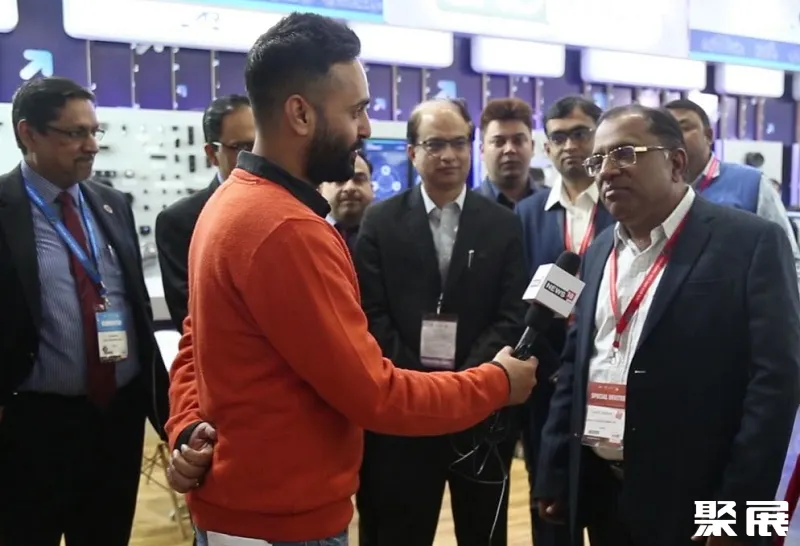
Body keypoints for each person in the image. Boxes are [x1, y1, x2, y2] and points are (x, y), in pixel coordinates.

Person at [165, 12, 538, 546]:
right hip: (285, 520)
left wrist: (185, 425)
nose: (365, 129)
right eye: (357, 110)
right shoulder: (285, 228)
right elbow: (374, 394)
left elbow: (194, 337)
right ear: (300, 113)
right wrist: (496, 383)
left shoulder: (231, 202)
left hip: (248, 507)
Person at [534, 104, 800, 546]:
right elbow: (575, 368)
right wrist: (555, 469)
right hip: (603, 490)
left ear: (676, 162)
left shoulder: (750, 242)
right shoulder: (598, 252)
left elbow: (775, 386)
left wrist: (736, 513)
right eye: (598, 160)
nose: (607, 170)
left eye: (625, 153)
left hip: (698, 498)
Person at [0, 76, 170, 546]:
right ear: (28, 133)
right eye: (74, 133)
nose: (92, 145)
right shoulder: (5, 208)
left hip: (115, 420)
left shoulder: (111, 204)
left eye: (95, 131)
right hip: (32, 426)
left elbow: (132, 306)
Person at [353, 98, 529, 546]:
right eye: (435, 144)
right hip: (402, 413)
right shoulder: (380, 221)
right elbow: (370, 314)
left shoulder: (503, 224)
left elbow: (511, 315)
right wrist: (421, 386)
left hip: (481, 415)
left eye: (458, 143)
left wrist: (465, 382)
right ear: (412, 152)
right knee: (397, 533)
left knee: (484, 533)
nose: (448, 155)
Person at [515, 94, 613, 546]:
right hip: (549, 383)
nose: (570, 145)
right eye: (558, 137)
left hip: (611, 379)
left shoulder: (621, 204)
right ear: (546, 147)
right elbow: (519, 299)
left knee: (612, 507)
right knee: (551, 509)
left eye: (580, 133)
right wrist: (554, 366)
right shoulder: (527, 213)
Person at [664, 99, 800, 281]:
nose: (675, 138)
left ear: (708, 136)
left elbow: (788, 255)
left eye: (684, 128)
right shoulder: (656, 191)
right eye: (666, 132)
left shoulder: (751, 183)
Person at [156, 94, 254, 331]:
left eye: (259, 144)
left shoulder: (285, 210)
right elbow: (189, 315)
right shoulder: (180, 221)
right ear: (212, 153)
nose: (255, 157)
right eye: (241, 148)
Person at [475, 98, 540, 208]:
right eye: (499, 142)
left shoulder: (554, 205)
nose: (509, 149)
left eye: (518, 141)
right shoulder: (465, 209)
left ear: (532, 147)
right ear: (482, 151)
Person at [320, 147, 374, 254]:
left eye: (359, 179)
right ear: (320, 188)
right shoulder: (303, 233)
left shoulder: (389, 236)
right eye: (339, 179)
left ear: (372, 187)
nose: (350, 188)